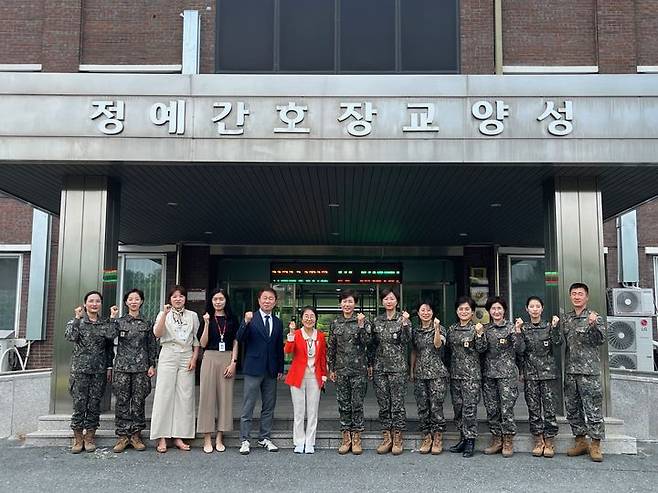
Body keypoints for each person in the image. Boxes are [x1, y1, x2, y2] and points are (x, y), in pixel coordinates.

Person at [64, 290, 118, 454]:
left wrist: (113, 318)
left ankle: (89, 437)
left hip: (99, 371)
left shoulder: (105, 323)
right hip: (80, 371)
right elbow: (70, 337)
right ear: (85, 303)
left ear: (101, 304)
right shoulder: (78, 322)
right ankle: (78, 438)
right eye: (91, 301)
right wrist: (76, 318)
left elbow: (111, 339)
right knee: (79, 404)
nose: (94, 304)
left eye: (97, 301)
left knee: (94, 405)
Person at [149, 285, 200, 453]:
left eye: (181, 296)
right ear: (170, 299)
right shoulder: (163, 314)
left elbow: (196, 340)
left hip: (186, 354)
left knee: (185, 395)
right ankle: (162, 436)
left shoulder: (192, 315)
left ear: (185, 298)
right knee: (164, 394)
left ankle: (179, 435)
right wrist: (164, 313)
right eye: (174, 296)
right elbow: (157, 333)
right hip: (168, 353)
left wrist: (194, 358)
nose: (178, 299)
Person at [237, 287, 285, 455]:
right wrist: (245, 322)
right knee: (248, 405)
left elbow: (279, 347)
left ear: (275, 302)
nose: (267, 301)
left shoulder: (278, 322)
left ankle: (265, 437)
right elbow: (240, 338)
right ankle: (245, 439)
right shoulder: (251, 318)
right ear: (259, 301)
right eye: (264, 298)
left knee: (269, 406)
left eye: (271, 298)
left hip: (271, 370)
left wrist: (280, 368)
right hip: (253, 368)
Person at [563, 282, 606, 462]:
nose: (577, 296)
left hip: (590, 373)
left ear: (587, 297)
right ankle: (580, 442)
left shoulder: (595, 317)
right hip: (571, 372)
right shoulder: (566, 319)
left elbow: (600, 340)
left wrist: (594, 325)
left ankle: (595, 444)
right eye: (574, 293)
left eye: (580, 293)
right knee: (573, 409)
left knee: (593, 409)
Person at [112, 288, 158, 453]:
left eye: (136, 299)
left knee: (138, 401)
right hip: (122, 368)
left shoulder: (147, 322)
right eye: (130, 299)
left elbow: (152, 345)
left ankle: (136, 435)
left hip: (141, 368)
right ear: (126, 302)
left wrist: (152, 364)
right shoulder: (119, 322)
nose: (133, 301)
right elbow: (109, 336)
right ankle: (123, 436)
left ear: (141, 301)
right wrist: (112, 318)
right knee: (122, 401)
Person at [327, 289, 371, 455]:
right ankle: (346, 437)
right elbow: (332, 347)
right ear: (340, 304)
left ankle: (357, 437)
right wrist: (331, 368)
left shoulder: (363, 321)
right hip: (341, 370)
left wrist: (360, 325)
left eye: (350, 301)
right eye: (344, 301)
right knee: (344, 404)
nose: (347, 304)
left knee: (357, 404)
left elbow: (368, 342)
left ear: (355, 303)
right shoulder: (335, 323)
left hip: (358, 370)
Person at [480, 296, 525, 457]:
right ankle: (496, 439)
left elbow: (520, 350)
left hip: (506, 375)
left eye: (499, 308)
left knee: (506, 409)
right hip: (489, 374)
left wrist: (519, 332)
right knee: (492, 409)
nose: (496, 311)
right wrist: (479, 335)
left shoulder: (512, 328)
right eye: (493, 309)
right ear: (489, 311)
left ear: (504, 310)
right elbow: (480, 350)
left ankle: (508, 440)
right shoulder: (485, 329)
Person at [517, 296, 561, 458]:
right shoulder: (524, 328)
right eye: (531, 306)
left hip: (548, 374)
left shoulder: (549, 327)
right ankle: (538, 439)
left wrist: (556, 327)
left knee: (549, 408)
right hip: (530, 375)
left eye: (537, 306)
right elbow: (520, 352)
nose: (534, 309)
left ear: (542, 309)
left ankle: (549, 440)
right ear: (527, 309)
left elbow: (557, 343)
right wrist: (518, 332)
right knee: (533, 409)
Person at [197, 288, 239, 453]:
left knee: (225, 398)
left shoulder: (232, 319)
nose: (218, 302)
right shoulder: (206, 318)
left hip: (227, 358)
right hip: (209, 357)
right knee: (207, 398)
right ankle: (207, 438)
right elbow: (202, 343)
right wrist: (207, 324)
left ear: (226, 300)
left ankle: (220, 437)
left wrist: (234, 362)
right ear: (211, 301)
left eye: (221, 299)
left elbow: (236, 341)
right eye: (215, 299)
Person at [370, 286, 410, 456]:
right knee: (384, 404)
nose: (389, 301)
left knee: (398, 405)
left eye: (392, 298)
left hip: (398, 368)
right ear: (382, 301)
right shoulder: (377, 321)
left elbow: (407, 340)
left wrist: (406, 325)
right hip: (380, 368)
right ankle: (387, 437)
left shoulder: (403, 319)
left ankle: (398, 438)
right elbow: (372, 344)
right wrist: (370, 364)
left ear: (397, 301)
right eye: (386, 298)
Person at [445, 296, 487, 458]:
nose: (464, 312)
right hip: (455, 375)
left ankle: (470, 440)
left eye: (467, 309)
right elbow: (447, 352)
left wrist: (479, 334)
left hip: (471, 376)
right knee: (458, 408)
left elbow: (482, 349)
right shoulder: (451, 329)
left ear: (472, 312)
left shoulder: (477, 328)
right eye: (461, 309)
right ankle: (462, 437)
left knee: (469, 409)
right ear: (457, 311)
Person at [285, 306, 328, 454]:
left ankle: (310, 442)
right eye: (306, 316)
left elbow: (322, 357)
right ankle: (299, 442)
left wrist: (324, 375)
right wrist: (290, 333)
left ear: (316, 319)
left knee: (312, 411)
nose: (309, 319)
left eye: (312, 316)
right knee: (298, 411)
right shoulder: (296, 334)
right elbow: (288, 351)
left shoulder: (320, 336)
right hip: (297, 377)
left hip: (314, 377)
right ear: (301, 318)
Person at [410, 301, 448, 455]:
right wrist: (411, 370)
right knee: (423, 407)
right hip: (420, 374)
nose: (426, 313)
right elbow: (414, 351)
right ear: (418, 314)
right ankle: (426, 437)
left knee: (436, 406)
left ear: (433, 312)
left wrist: (437, 328)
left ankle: (438, 437)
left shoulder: (440, 329)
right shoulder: (415, 331)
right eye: (423, 310)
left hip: (437, 374)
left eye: (429, 310)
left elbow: (438, 345)